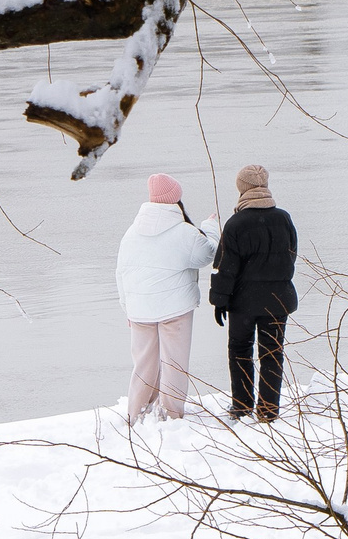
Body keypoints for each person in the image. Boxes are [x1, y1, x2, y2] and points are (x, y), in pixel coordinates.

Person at [116, 173, 217, 424]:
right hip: (175, 309)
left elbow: (121, 272)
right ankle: (170, 415)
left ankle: (137, 412)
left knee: (143, 364)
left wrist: (127, 307)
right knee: (174, 363)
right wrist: (211, 227)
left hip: (139, 310)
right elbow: (208, 254)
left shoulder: (132, 232)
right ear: (176, 199)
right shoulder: (184, 232)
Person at [209, 163, 297, 422]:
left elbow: (225, 267)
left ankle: (242, 405)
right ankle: (268, 409)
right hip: (277, 300)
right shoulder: (283, 218)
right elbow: (291, 256)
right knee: (272, 353)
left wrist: (219, 301)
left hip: (243, 303)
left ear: (241, 188)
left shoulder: (236, 223)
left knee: (240, 349)